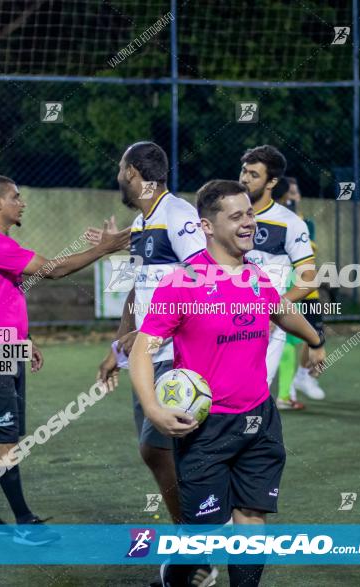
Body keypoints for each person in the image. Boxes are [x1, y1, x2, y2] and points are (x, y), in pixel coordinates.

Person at [128, 180, 325, 587]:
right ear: (207, 226)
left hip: (259, 420)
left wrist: (315, 339)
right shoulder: (181, 284)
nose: (249, 223)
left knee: (252, 518)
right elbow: (142, 351)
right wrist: (152, 408)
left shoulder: (255, 276)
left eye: (250, 213)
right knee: (204, 536)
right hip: (205, 430)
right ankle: (175, 574)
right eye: (236, 216)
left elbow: (281, 310)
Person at [0, 175, 128, 545]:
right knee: (6, 439)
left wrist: (26, 339)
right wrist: (105, 249)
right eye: (16, 197)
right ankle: (25, 524)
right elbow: (54, 269)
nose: (22, 203)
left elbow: (5, 297)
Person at [95, 141, 206, 525]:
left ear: (131, 173)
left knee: (157, 449)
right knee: (159, 452)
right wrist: (120, 345)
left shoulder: (178, 215)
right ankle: (195, 541)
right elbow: (136, 289)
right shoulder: (143, 222)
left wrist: (151, 332)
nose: (118, 177)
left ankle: (197, 545)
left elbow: (204, 281)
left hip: (176, 356)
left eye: (120, 169)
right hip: (147, 355)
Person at [238, 146, 319, 411]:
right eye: (244, 171)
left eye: (253, 174)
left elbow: (309, 278)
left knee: (250, 400)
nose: (244, 179)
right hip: (222, 318)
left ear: (272, 182)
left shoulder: (290, 223)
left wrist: (275, 307)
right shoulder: (224, 213)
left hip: (265, 327)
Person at [271, 176, 328, 404]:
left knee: (311, 336)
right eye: (290, 193)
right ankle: (285, 393)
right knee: (281, 339)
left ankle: (302, 378)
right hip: (284, 285)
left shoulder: (305, 223)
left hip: (305, 289)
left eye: (296, 193)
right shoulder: (271, 219)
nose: (293, 197)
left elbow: (308, 252)